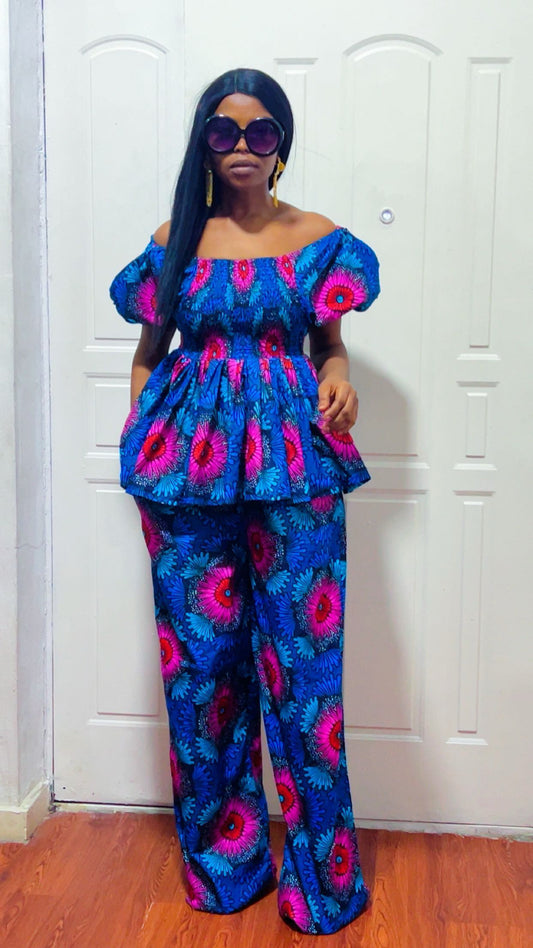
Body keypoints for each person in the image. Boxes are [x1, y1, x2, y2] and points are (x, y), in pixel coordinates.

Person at [109, 67, 380, 935]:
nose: (241, 147)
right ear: (204, 143)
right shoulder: (175, 240)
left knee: (305, 677)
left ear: (280, 145)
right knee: (201, 675)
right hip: (186, 479)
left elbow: (328, 345)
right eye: (223, 132)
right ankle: (225, 869)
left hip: (296, 468)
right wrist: (143, 422)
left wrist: (339, 381)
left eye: (260, 132)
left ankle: (320, 882)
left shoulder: (317, 239)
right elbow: (149, 353)